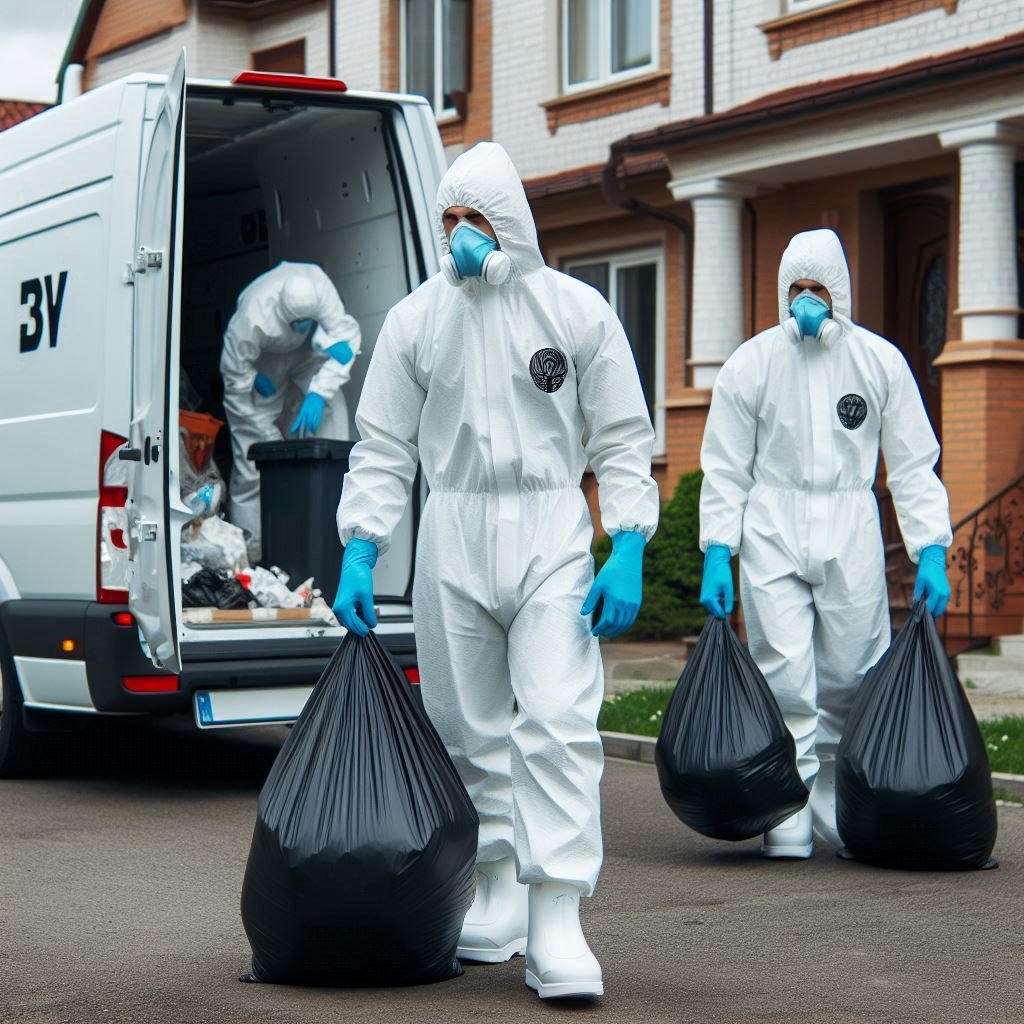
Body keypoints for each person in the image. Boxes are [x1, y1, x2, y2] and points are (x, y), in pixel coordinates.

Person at [333, 142, 659, 999]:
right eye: (449, 222)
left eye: (476, 220)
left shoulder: (575, 311)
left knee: (555, 717)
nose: (461, 238)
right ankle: (498, 890)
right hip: (453, 531)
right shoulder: (417, 320)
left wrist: (626, 541)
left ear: (511, 220)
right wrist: (362, 546)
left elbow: (622, 437)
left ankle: (557, 917)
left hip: (551, 525)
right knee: (467, 728)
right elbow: (383, 445)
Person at [698, 228, 952, 859]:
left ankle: (839, 795)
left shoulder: (878, 361)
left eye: (817, 289)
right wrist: (716, 549)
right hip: (772, 521)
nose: (805, 302)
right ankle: (789, 803)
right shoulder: (752, 363)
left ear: (838, 292)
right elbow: (725, 466)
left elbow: (915, 462)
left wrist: (932, 547)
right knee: (783, 667)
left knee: (850, 670)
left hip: (849, 523)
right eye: (795, 290)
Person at [220, 261, 361, 560]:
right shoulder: (252, 315)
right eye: (294, 323)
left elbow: (346, 338)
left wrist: (319, 393)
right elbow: (233, 370)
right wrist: (250, 378)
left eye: (304, 322)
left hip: (310, 353)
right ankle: (255, 555)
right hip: (264, 361)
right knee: (253, 456)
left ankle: (328, 537)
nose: (298, 327)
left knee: (331, 434)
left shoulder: (320, 290)